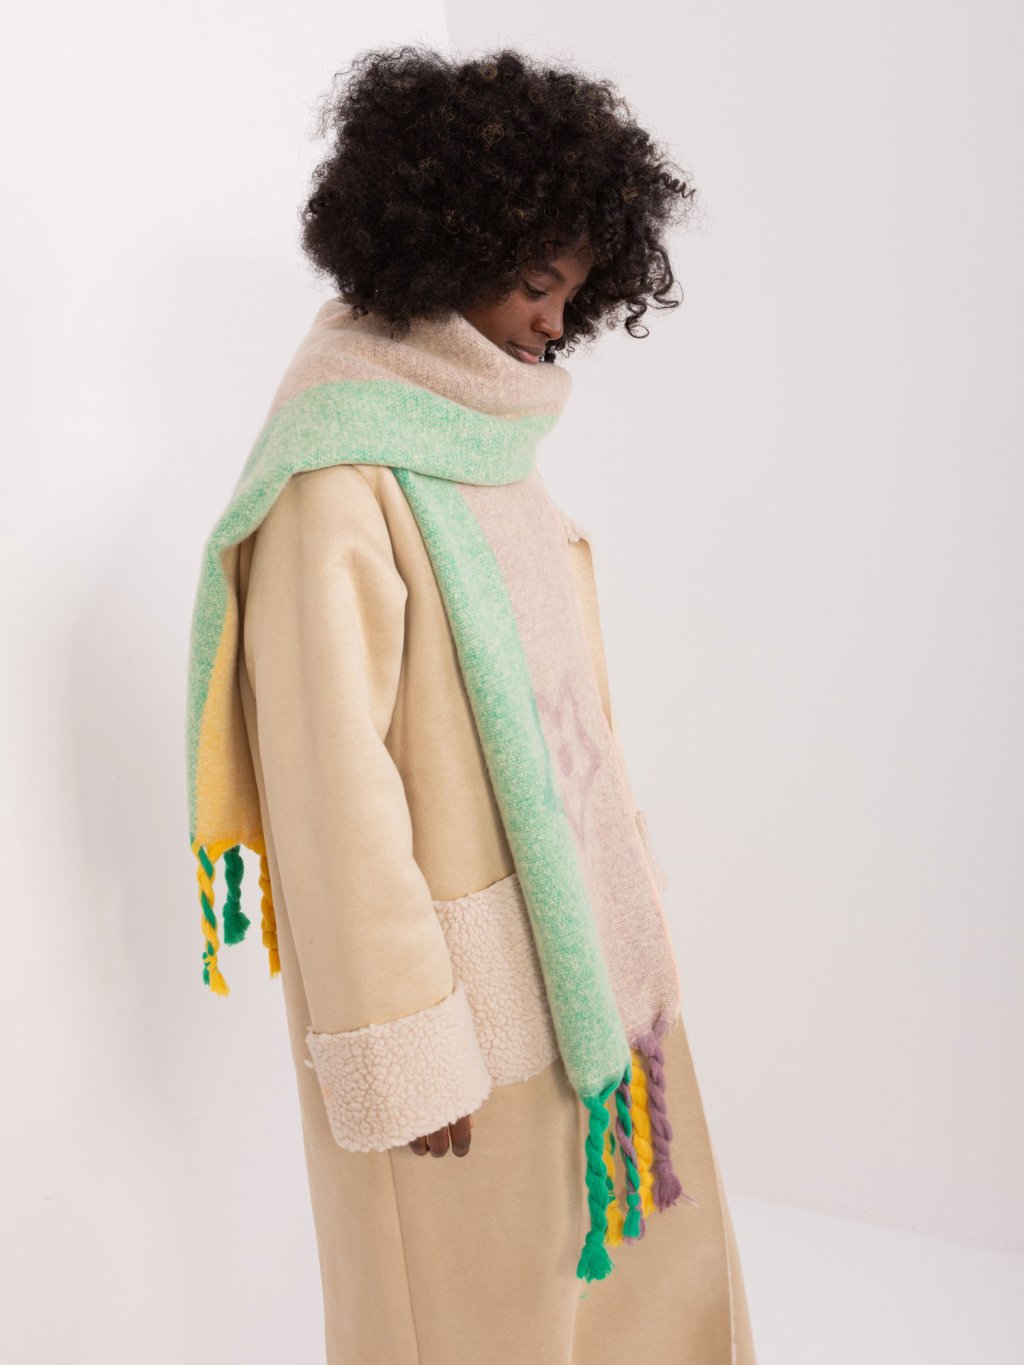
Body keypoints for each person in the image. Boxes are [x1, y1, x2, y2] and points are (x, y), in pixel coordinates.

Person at [186, 44, 757, 1364]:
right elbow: (331, 792)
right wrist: (402, 1043)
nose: (555, 325)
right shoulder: (338, 480)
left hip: (576, 968)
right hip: (461, 1012)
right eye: (537, 284)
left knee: (609, 1307)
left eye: (575, 293)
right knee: (470, 1317)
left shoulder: (480, 438)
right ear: (446, 247)